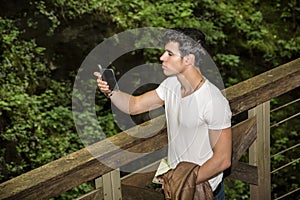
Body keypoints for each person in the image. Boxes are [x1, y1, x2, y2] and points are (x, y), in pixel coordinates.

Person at [94, 28, 232, 199]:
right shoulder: (171, 85)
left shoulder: (212, 101)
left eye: (169, 54)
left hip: (203, 191)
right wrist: (111, 91)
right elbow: (135, 105)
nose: (162, 58)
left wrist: (181, 181)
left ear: (189, 59)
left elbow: (223, 159)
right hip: (175, 187)